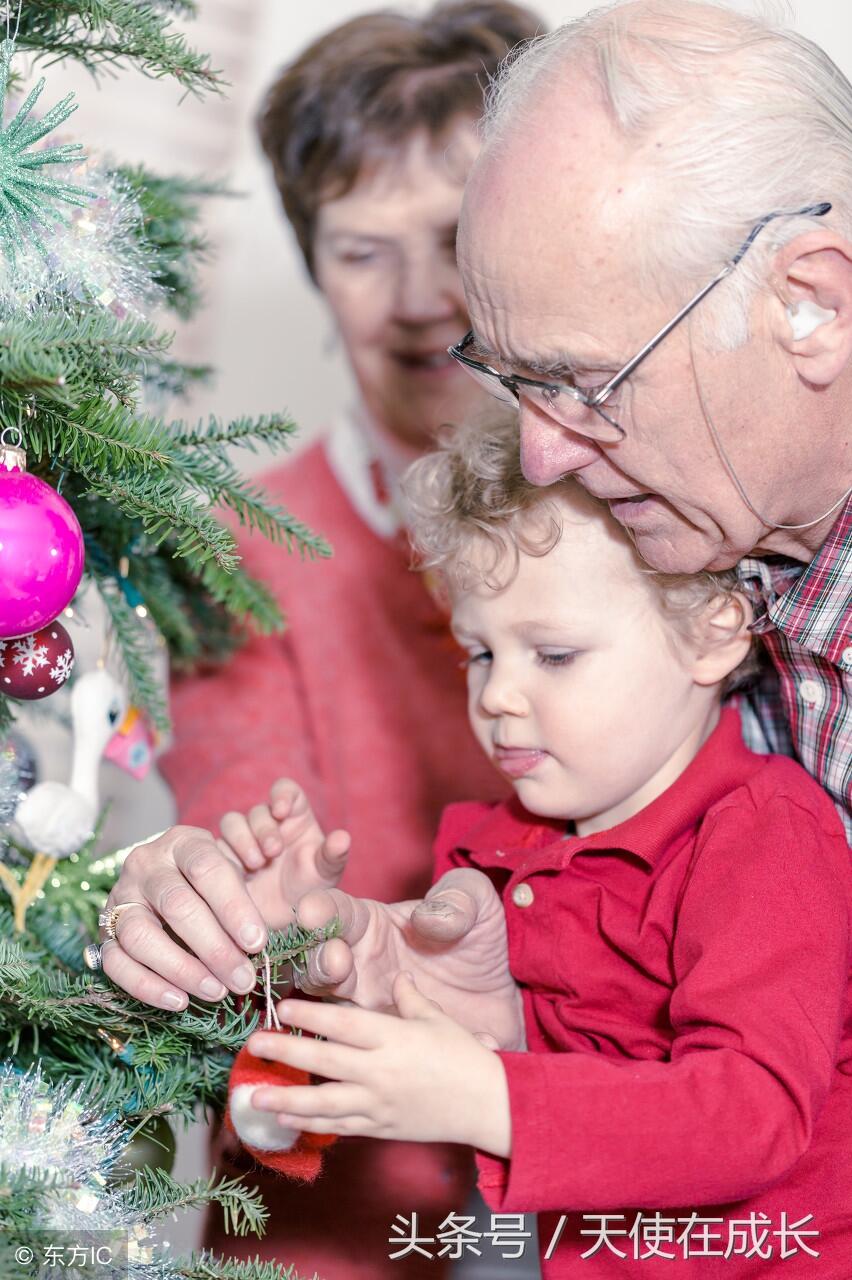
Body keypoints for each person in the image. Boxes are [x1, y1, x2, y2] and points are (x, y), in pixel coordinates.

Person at [105, 5, 544, 1279]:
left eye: (455, 237)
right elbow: (256, 850)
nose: (421, 300)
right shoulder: (249, 547)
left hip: (628, 1201)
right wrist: (240, 898)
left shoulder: (654, 516)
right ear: (309, 265)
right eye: (361, 249)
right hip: (354, 1229)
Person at [226, 413, 850, 1279]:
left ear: (711, 633)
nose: (500, 698)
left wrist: (491, 1097)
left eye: (552, 655)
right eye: (480, 653)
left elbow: (752, 1115)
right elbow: (467, 1047)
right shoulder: (498, 847)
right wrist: (328, 946)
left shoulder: (763, 832)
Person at [445, 0, 851, 837]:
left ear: (810, 306)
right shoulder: (658, 539)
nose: (542, 458)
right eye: (516, 380)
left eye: (587, 383)